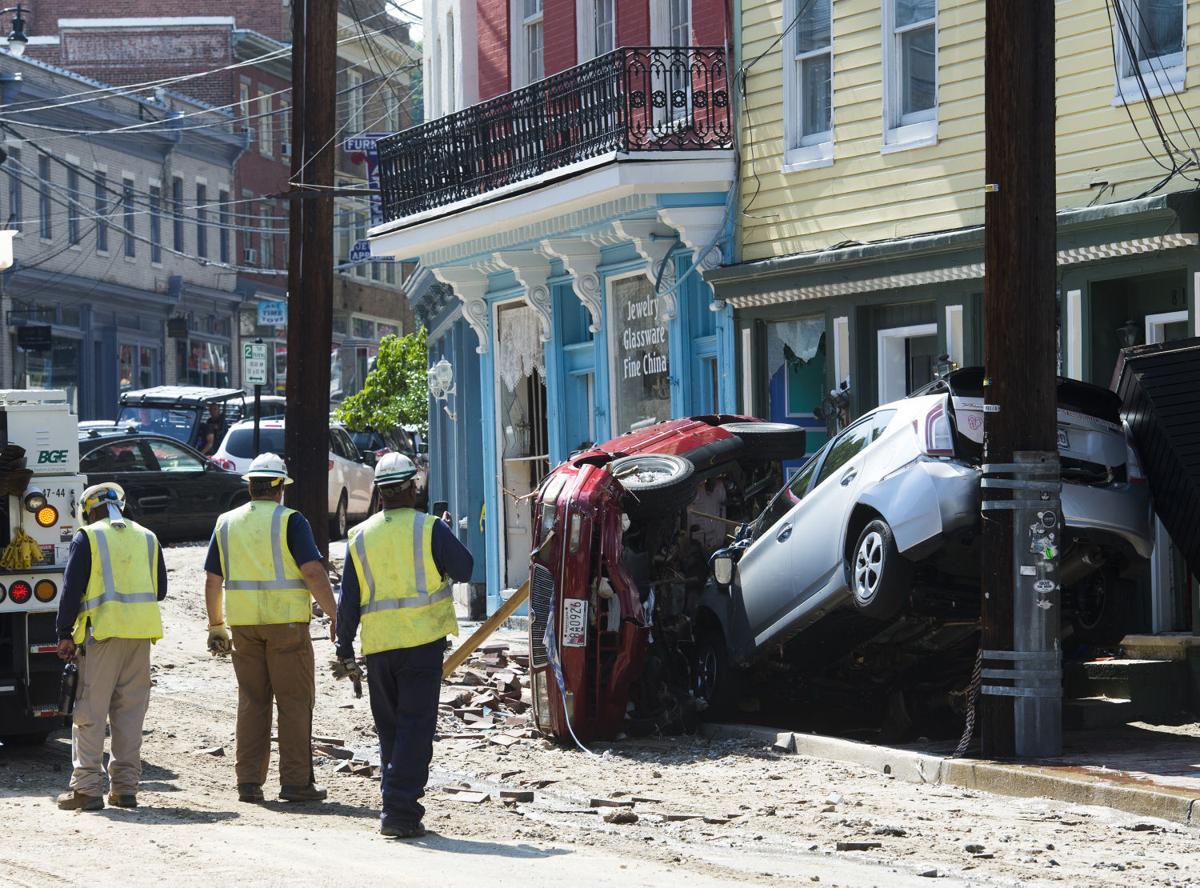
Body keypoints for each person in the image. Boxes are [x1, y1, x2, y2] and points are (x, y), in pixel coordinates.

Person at [333, 453, 473, 838]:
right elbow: (465, 569)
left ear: (379, 492)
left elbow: (349, 600)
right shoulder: (429, 529)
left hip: (378, 647)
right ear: (413, 487)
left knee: (391, 730)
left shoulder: (360, 537)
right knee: (415, 729)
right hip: (421, 644)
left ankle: (393, 806)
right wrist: (444, 535)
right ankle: (399, 812)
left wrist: (343, 646)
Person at [204, 452, 337, 804]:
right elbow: (312, 572)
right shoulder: (291, 521)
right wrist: (336, 614)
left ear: (250, 486)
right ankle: (296, 783)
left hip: (244, 624)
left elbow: (213, 579)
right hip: (287, 625)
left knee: (252, 700)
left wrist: (216, 624)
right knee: (293, 703)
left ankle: (248, 782)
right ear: (279, 487)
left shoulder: (226, 523)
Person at [55, 482, 167, 811]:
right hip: (140, 637)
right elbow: (159, 589)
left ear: (89, 512)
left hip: (101, 636)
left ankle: (88, 789)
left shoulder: (87, 537)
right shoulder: (148, 537)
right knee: (130, 714)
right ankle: (125, 788)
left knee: (90, 711)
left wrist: (63, 632)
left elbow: (71, 590)